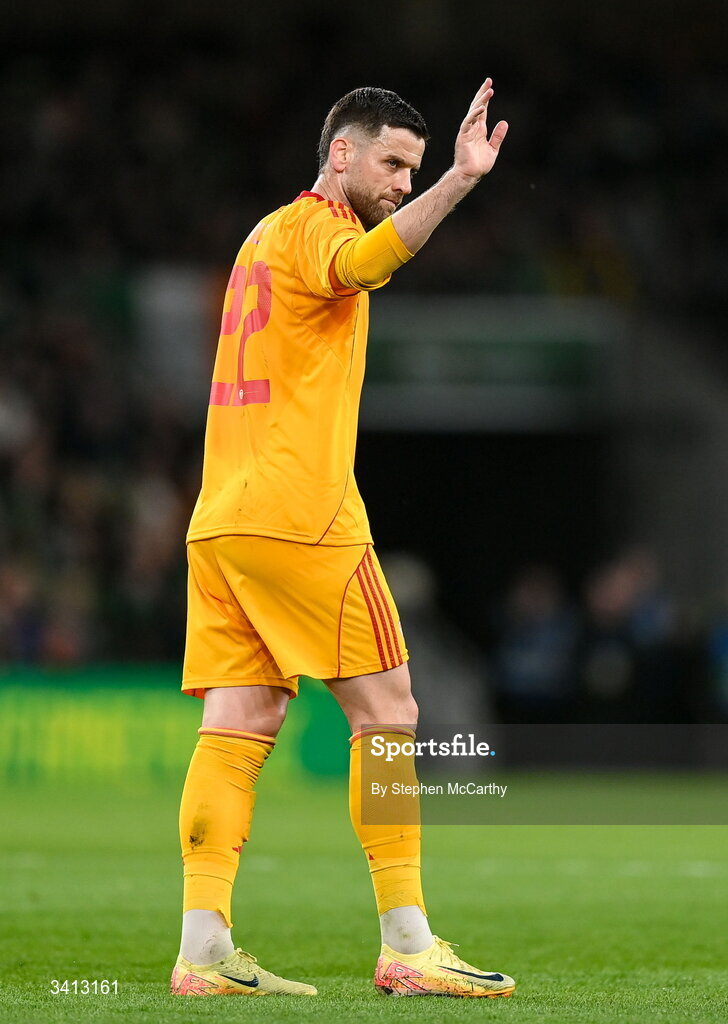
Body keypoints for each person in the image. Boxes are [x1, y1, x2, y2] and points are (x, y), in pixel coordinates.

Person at [171, 80, 514, 999]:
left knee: (237, 723)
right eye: (392, 163)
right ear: (339, 154)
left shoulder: (261, 236)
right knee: (390, 715)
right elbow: (369, 261)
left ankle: (201, 948)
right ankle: (407, 940)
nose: (402, 181)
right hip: (301, 513)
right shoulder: (321, 229)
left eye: (413, 166)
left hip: (222, 516)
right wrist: (460, 181)